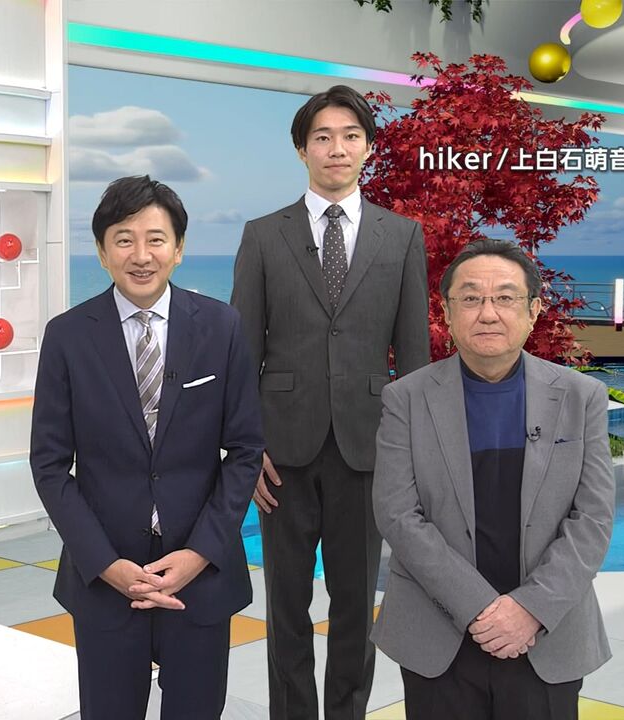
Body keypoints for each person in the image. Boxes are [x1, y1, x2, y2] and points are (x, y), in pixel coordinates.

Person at [229, 84, 430, 720]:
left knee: (355, 607)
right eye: (322, 137)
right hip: (280, 453)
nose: (336, 148)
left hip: (369, 450)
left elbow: (414, 356)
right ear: (302, 150)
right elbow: (241, 354)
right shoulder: (264, 236)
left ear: (367, 147)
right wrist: (244, 448)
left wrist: (411, 454)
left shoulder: (403, 237)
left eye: (350, 136)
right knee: (285, 606)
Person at [30, 175, 264, 719]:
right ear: (102, 251)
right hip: (105, 576)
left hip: (200, 576)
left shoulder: (222, 326)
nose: (141, 255)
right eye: (124, 239)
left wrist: (199, 553)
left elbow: (245, 450)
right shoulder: (67, 335)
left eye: (156, 239)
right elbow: (49, 464)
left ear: (178, 249)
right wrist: (105, 563)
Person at [372, 238, 614, 720]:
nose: (488, 313)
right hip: (437, 634)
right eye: (471, 298)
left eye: (505, 297)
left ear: (533, 310)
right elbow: (398, 514)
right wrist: (481, 609)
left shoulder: (581, 396)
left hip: (546, 633)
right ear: (446, 312)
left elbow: (593, 518)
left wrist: (529, 610)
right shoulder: (406, 398)